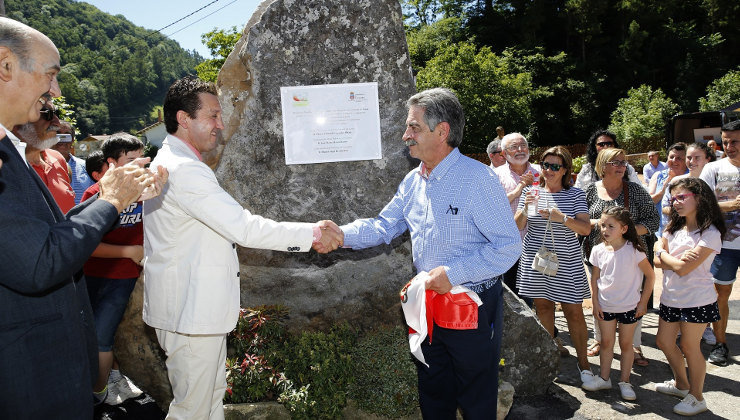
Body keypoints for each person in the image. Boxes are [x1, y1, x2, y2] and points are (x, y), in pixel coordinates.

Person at [143, 75, 343, 419]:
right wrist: (312, 234)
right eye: (212, 116)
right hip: (190, 312)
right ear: (183, 119)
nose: (220, 125)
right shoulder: (184, 170)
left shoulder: (174, 162)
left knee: (208, 402)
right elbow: (244, 228)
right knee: (192, 409)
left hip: (191, 310)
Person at [0, 17, 164, 419]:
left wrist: (113, 197)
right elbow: (39, 262)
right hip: (27, 378)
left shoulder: (9, 147)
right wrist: (109, 200)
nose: (54, 92)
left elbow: (49, 233)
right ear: (5, 65)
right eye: (51, 76)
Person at [334, 88, 521, 418]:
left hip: (471, 309)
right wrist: (340, 235)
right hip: (426, 307)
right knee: (433, 392)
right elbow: (382, 226)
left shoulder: (478, 179)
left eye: (413, 127)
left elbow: (508, 247)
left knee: (477, 400)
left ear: (443, 131)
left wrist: (451, 274)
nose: (406, 136)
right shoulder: (412, 182)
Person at [513, 146, 594, 385]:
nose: (548, 170)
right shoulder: (531, 191)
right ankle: (549, 362)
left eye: (555, 166)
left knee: (574, 312)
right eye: (545, 165)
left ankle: (585, 365)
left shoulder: (576, 195)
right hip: (536, 258)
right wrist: (526, 206)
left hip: (566, 260)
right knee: (544, 309)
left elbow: (586, 229)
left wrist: (562, 218)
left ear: (565, 169)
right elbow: (517, 225)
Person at [82, 134, 147, 406]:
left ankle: (107, 383)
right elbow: (86, 244)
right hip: (93, 274)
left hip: (125, 276)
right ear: (111, 163)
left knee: (105, 335)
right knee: (98, 337)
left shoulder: (148, 190)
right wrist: (129, 252)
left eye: (142, 160)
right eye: (131, 160)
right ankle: (98, 394)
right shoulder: (95, 194)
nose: (139, 167)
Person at [653, 177, 725, 416]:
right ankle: (682, 385)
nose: (675, 202)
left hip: (697, 299)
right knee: (664, 341)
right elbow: (656, 262)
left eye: (682, 197)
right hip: (671, 297)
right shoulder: (672, 228)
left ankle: (697, 397)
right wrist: (669, 258)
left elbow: (682, 268)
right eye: (673, 198)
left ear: (699, 198)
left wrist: (662, 252)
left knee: (689, 345)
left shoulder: (710, 233)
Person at [583, 148, 659, 364]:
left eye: (623, 163)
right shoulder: (589, 191)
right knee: (601, 296)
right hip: (599, 255)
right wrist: (598, 224)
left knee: (632, 298)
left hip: (631, 256)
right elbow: (581, 221)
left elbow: (653, 221)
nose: (621, 166)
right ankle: (600, 339)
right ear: (602, 166)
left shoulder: (635, 190)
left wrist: (627, 233)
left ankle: (633, 346)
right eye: (616, 162)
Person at [584, 206, 654, 400]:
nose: (605, 230)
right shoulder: (598, 250)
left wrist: (643, 303)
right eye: (603, 225)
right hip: (605, 306)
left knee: (626, 345)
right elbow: (595, 279)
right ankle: (604, 378)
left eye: (610, 226)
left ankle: (625, 381)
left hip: (630, 307)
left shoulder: (634, 251)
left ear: (624, 228)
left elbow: (650, 276)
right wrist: (595, 303)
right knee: (606, 343)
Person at [699, 119, 740, 366]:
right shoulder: (713, 169)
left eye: (734, 141)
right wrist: (729, 205)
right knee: (720, 294)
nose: (729, 146)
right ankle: (720, 344)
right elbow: (700, 203)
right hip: (725, 245)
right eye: (725, 141)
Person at [495, 132, 540, 296]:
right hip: (509, 247)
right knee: (515, 296)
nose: (520, 150)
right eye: (514, 147)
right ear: (504, 153)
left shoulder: (541, 172)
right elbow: (493, 207)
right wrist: (518, 189)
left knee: (540, 297)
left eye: (523, 146)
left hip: (539, 245)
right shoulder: (495, 175)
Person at [12, 98, 76, 213]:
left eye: (56, 114)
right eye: (48, 114)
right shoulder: (7, 165)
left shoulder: (58, 159)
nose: (57, 122)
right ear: (20, 119)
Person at [574, 129, 641, 190]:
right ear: (594, 147)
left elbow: (639, 189)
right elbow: (578, 191)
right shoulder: (587, 170)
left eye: (609, 144)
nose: (606, 147)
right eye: (601, 144)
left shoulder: (626, 168)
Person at [648, 142, 688, 238]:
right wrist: (664, 189)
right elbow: (649, 201)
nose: (674, 161)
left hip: (685, 230)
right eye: (671, 157)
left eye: (679, 158)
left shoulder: (691, 177)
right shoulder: (658, 176)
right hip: (660, 230)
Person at [52, 120, 94, 204]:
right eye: (58, 133)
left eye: (67, 135)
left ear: (72, 140)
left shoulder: (86, 166)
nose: (62, 139)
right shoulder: (41, 165)